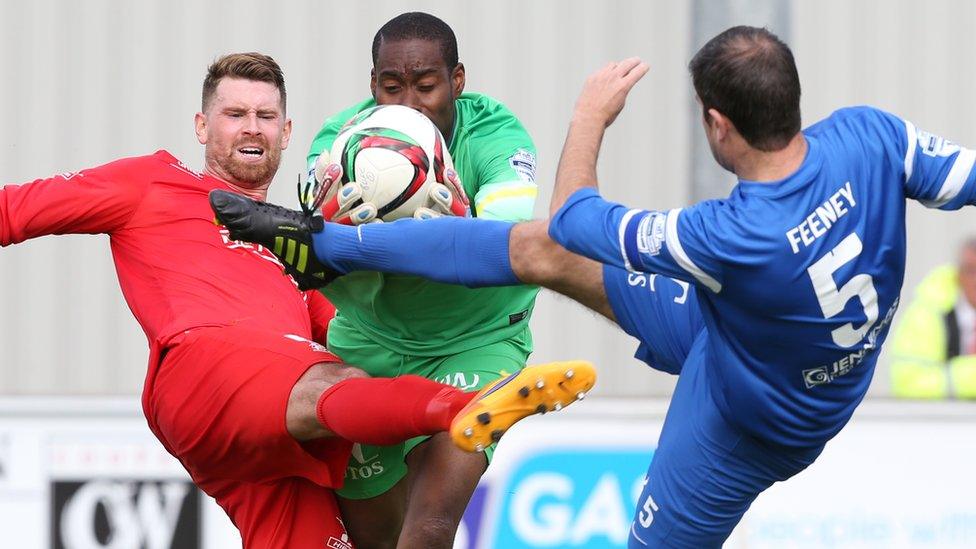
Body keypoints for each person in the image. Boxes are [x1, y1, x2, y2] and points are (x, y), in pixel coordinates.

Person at [212, 25, 976, 548]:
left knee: (553, 245)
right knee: (540, 255)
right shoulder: (873, 135)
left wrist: (590, 117)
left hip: (750, 416)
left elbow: (575, 216)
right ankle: (331, 248)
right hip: (739, 321)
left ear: (717, 125)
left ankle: (336, 252)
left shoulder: (730, 236)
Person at [0, 52, 595, 549]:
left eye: (266, 116)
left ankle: (451, 412)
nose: (251, 127)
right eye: (234, 114)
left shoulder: (301, 245)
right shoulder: (149, 181)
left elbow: (341, 326)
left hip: (265, 433)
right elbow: (13, 210)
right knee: (338, 378)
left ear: (287, 134)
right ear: (202, 127)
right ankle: (460, 408)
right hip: (201, 369)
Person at [307, 12, 543, 549]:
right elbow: (318, 252)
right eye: (392, 87)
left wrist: (427, 221)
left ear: (457, 80)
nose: (410, 103)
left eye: (427, 85)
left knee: (432, 527)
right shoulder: (339, 142)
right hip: (369, 347)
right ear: (372, 86)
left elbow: (499, 249)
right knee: (376, 541)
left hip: (477, 345)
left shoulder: (496, 136)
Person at [890, 238, 976, 399]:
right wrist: (970, 377)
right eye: (971, 271)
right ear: (958, 275)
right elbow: (907, 383)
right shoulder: (927, 312)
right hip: (944, 419)